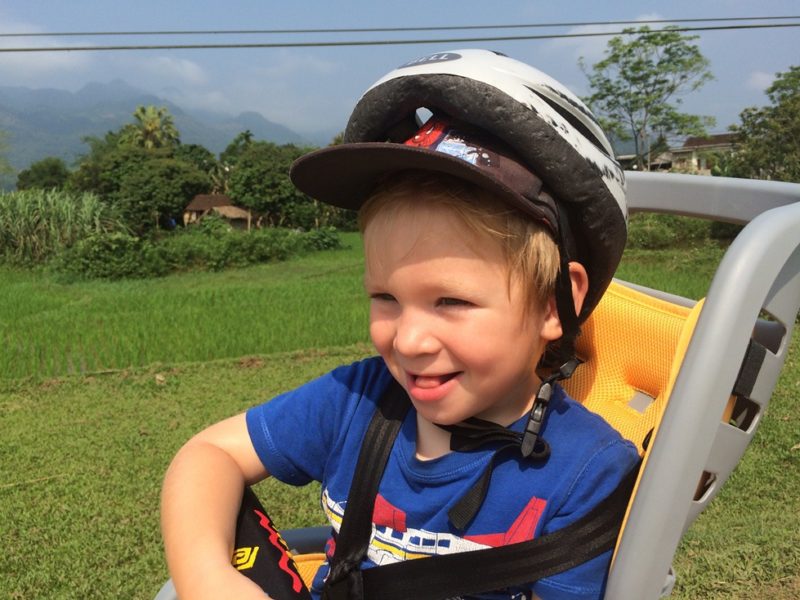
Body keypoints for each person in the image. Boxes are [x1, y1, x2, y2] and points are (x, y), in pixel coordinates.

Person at [161, 49, 640, 600]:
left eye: (451, 301)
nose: (407, 341)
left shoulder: (586, 476)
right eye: (385, 296)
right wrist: (207, 578)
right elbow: (209, 454)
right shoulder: (358, 401)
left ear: (555, 305)